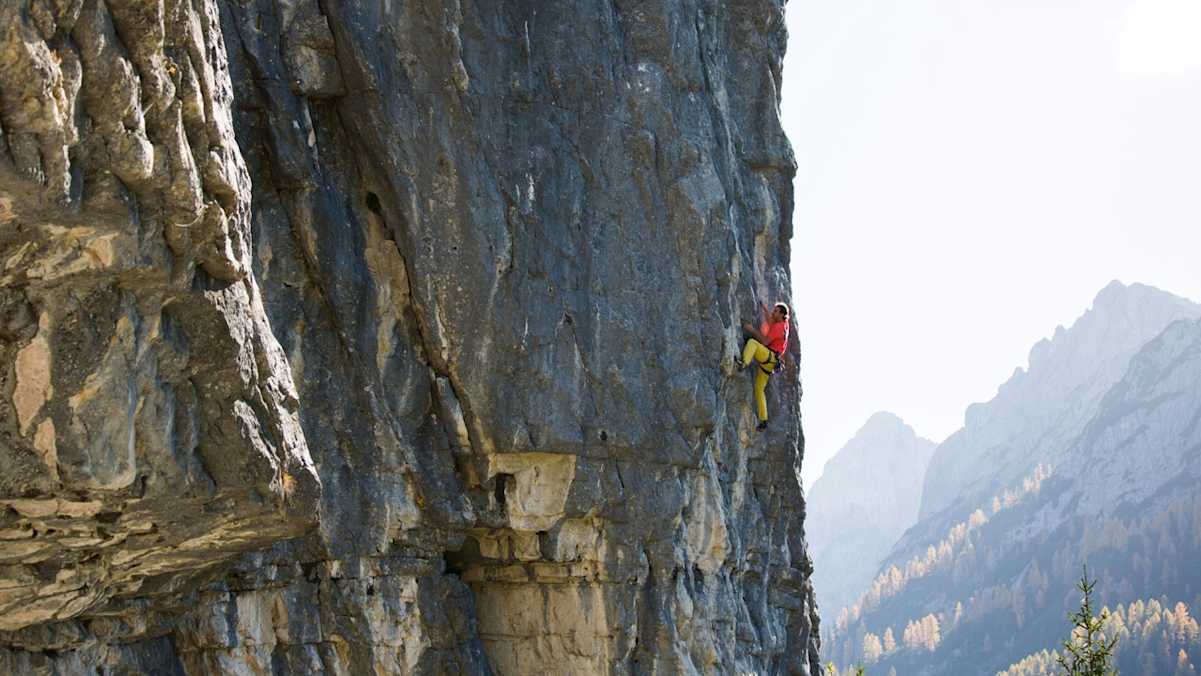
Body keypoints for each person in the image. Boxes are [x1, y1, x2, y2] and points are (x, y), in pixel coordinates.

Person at [737, 302, 790, 430]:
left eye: (776, 311)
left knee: (752, 343)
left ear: (782, 314)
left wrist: (751, 329)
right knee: (759, 389)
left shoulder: (778, 327)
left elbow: (765, 341)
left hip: (769, 357)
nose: (773, 313)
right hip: (771, 364)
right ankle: (763, 420)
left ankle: (743, 363)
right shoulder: (784, 325)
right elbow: (771, 320)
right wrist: (765, 309)